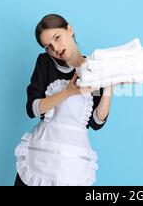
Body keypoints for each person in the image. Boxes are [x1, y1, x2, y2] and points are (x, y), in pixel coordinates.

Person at [14, 14, 113, 186]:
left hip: (71, 165)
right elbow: (33, 109)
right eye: (49, 46)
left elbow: (96, 122)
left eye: (57, 38)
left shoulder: (94, 68)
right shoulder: (45, 63)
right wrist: (68, 92)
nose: (56, 48)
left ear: (69, 29)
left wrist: (109, 87)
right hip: (41, 157)